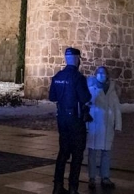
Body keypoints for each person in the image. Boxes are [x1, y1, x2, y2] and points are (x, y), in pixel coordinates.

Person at [48, 47, 91, 194]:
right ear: (77, 59)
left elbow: (52, 97)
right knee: (77, 155)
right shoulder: (78, 78)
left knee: (63, 153)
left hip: (62, 119)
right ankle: (73, 188)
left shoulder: (58, 76)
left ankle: (57, 186)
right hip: (75, 120)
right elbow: (86, 98)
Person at [86, 66, 122, 190]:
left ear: (107, 75)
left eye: (104, 73)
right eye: (99, 73)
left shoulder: (112, 90)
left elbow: (117, 108)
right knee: (92, 152)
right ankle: (92, 177)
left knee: (106, 152)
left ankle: (105, 177)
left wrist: (118, 124)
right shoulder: (91, 88)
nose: (102, 75)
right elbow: (86, 105)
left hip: (108, 125)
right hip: (94, 124)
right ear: (96, 74)